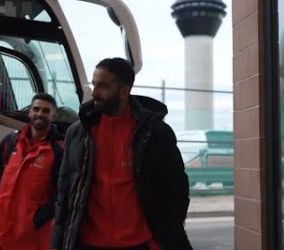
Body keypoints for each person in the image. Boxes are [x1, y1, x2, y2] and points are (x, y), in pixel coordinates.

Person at [51, 58, 192, 250]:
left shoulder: (156, 134)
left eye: (102, 86)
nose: (94, 93)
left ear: (124, 91)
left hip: (140, 245)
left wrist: (160, 241)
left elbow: (177, 191)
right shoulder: (78, 133)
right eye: (94, 84)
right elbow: (64, 194)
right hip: (89, 245)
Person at [0, 93, 64, 250]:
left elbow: (63, 192)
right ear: (29, 112)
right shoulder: (10, 142)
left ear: (53, 116)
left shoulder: (58, 150)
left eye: (46, 111)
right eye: (36, 109)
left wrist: (37, 219)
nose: (40, 114)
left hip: (31, 237)